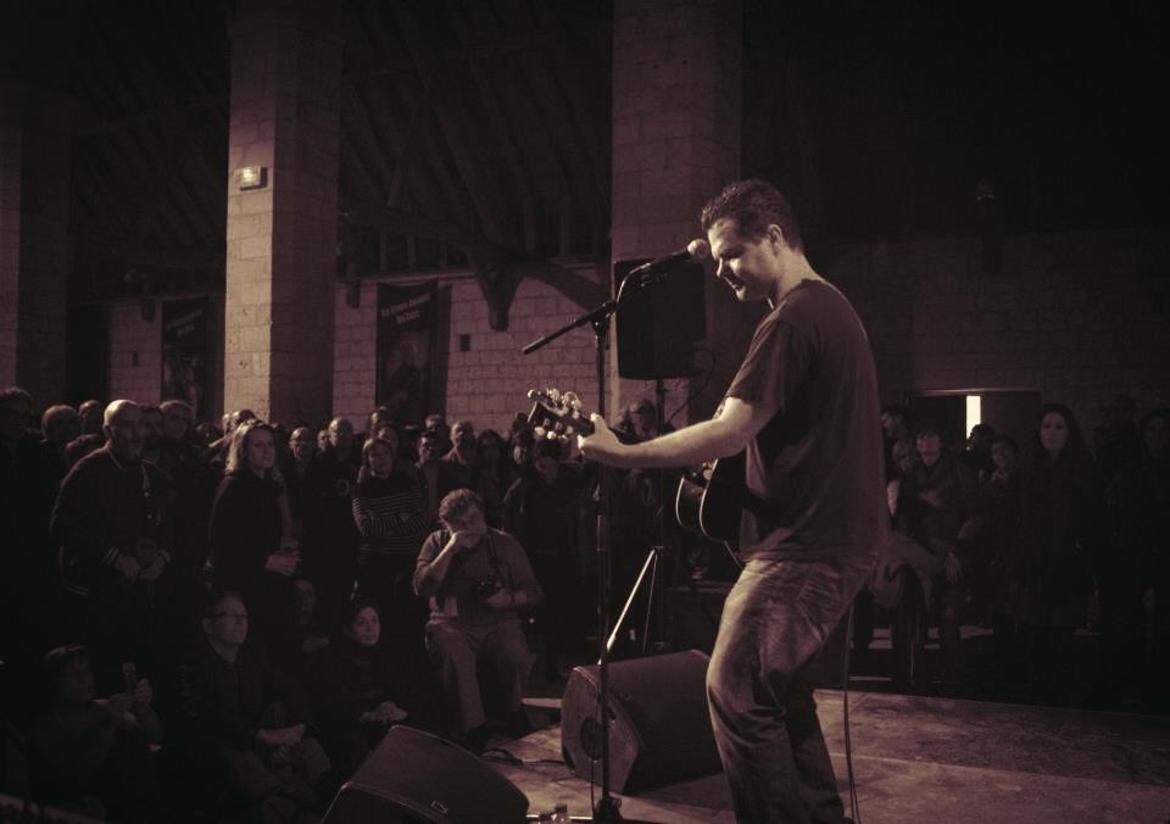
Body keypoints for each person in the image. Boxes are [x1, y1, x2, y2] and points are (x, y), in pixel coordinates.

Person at [579, 179, 884, 824]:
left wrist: (621, 452)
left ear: (774, 237)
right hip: (827, 539)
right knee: (778, 696)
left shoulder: (793, 318)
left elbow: (731, 429)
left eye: (732, 255)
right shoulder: (829, 309)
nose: (721, 273)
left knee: (735, 690)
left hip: (804, 548)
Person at [413, 489, 541, 752]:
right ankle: (474, 727)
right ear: (447, 526)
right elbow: (422, 587)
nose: (468, 527)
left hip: (499, 622)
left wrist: (508, 599)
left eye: (473, 518)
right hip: (451, 623)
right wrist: (450, 549)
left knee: (516, 654)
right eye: (458, 524)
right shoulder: (436, 542)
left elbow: (534, 591)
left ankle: (513, 709)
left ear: (482, 514)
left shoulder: (504, 544)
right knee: (453, 652)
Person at [207, 419, 300, 668]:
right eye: (258, 445)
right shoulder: (234, 486)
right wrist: (265, 560)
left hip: (271, 586)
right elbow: (221, 541)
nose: (266, 451)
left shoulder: (271, 486)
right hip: (244, 586)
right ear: (244, 450)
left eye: (270, 444)